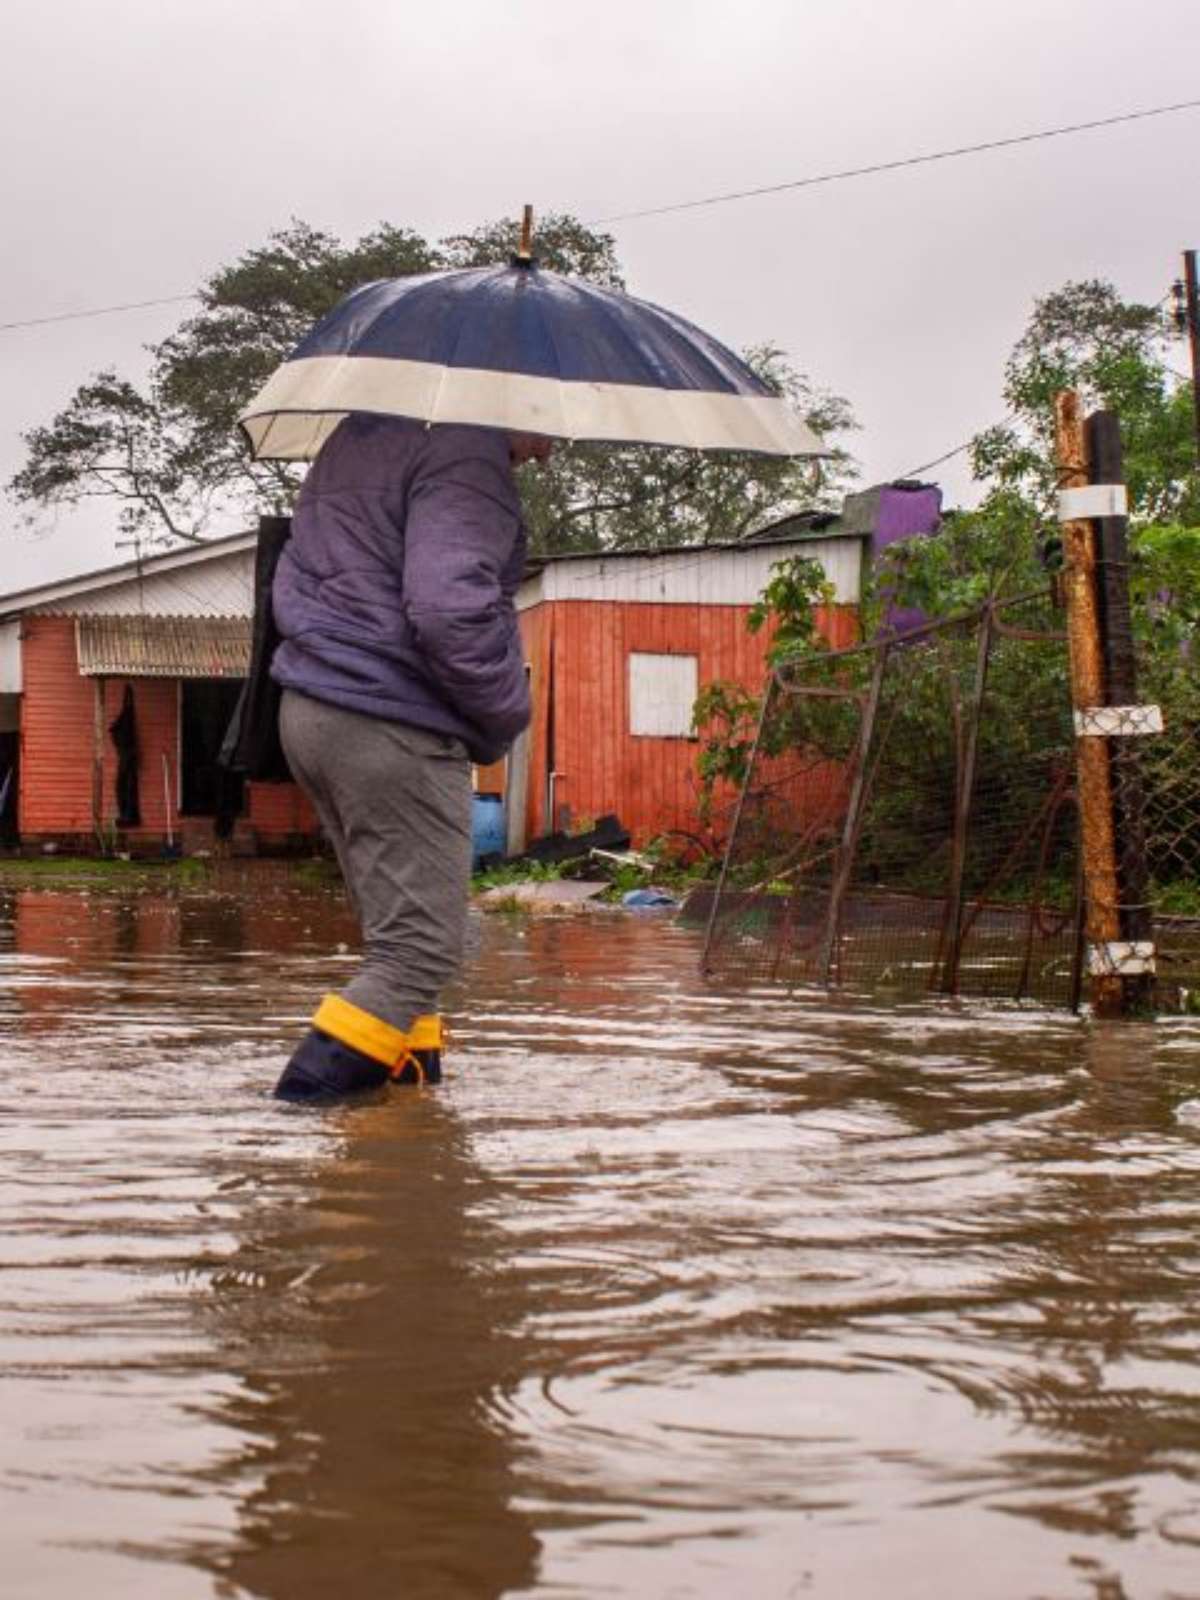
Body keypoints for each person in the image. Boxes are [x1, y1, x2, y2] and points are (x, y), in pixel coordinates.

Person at [269, 413, 549, 1101]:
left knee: (398, 948)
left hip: (313, 707)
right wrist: (508, 710)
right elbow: (447, 608)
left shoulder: (362, 435)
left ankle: (410, 1133)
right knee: (421, 950)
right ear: (517, 394)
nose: (550, 451)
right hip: (391, 721)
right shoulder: (469, 452)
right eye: (555, 423)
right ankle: (293, 1126)